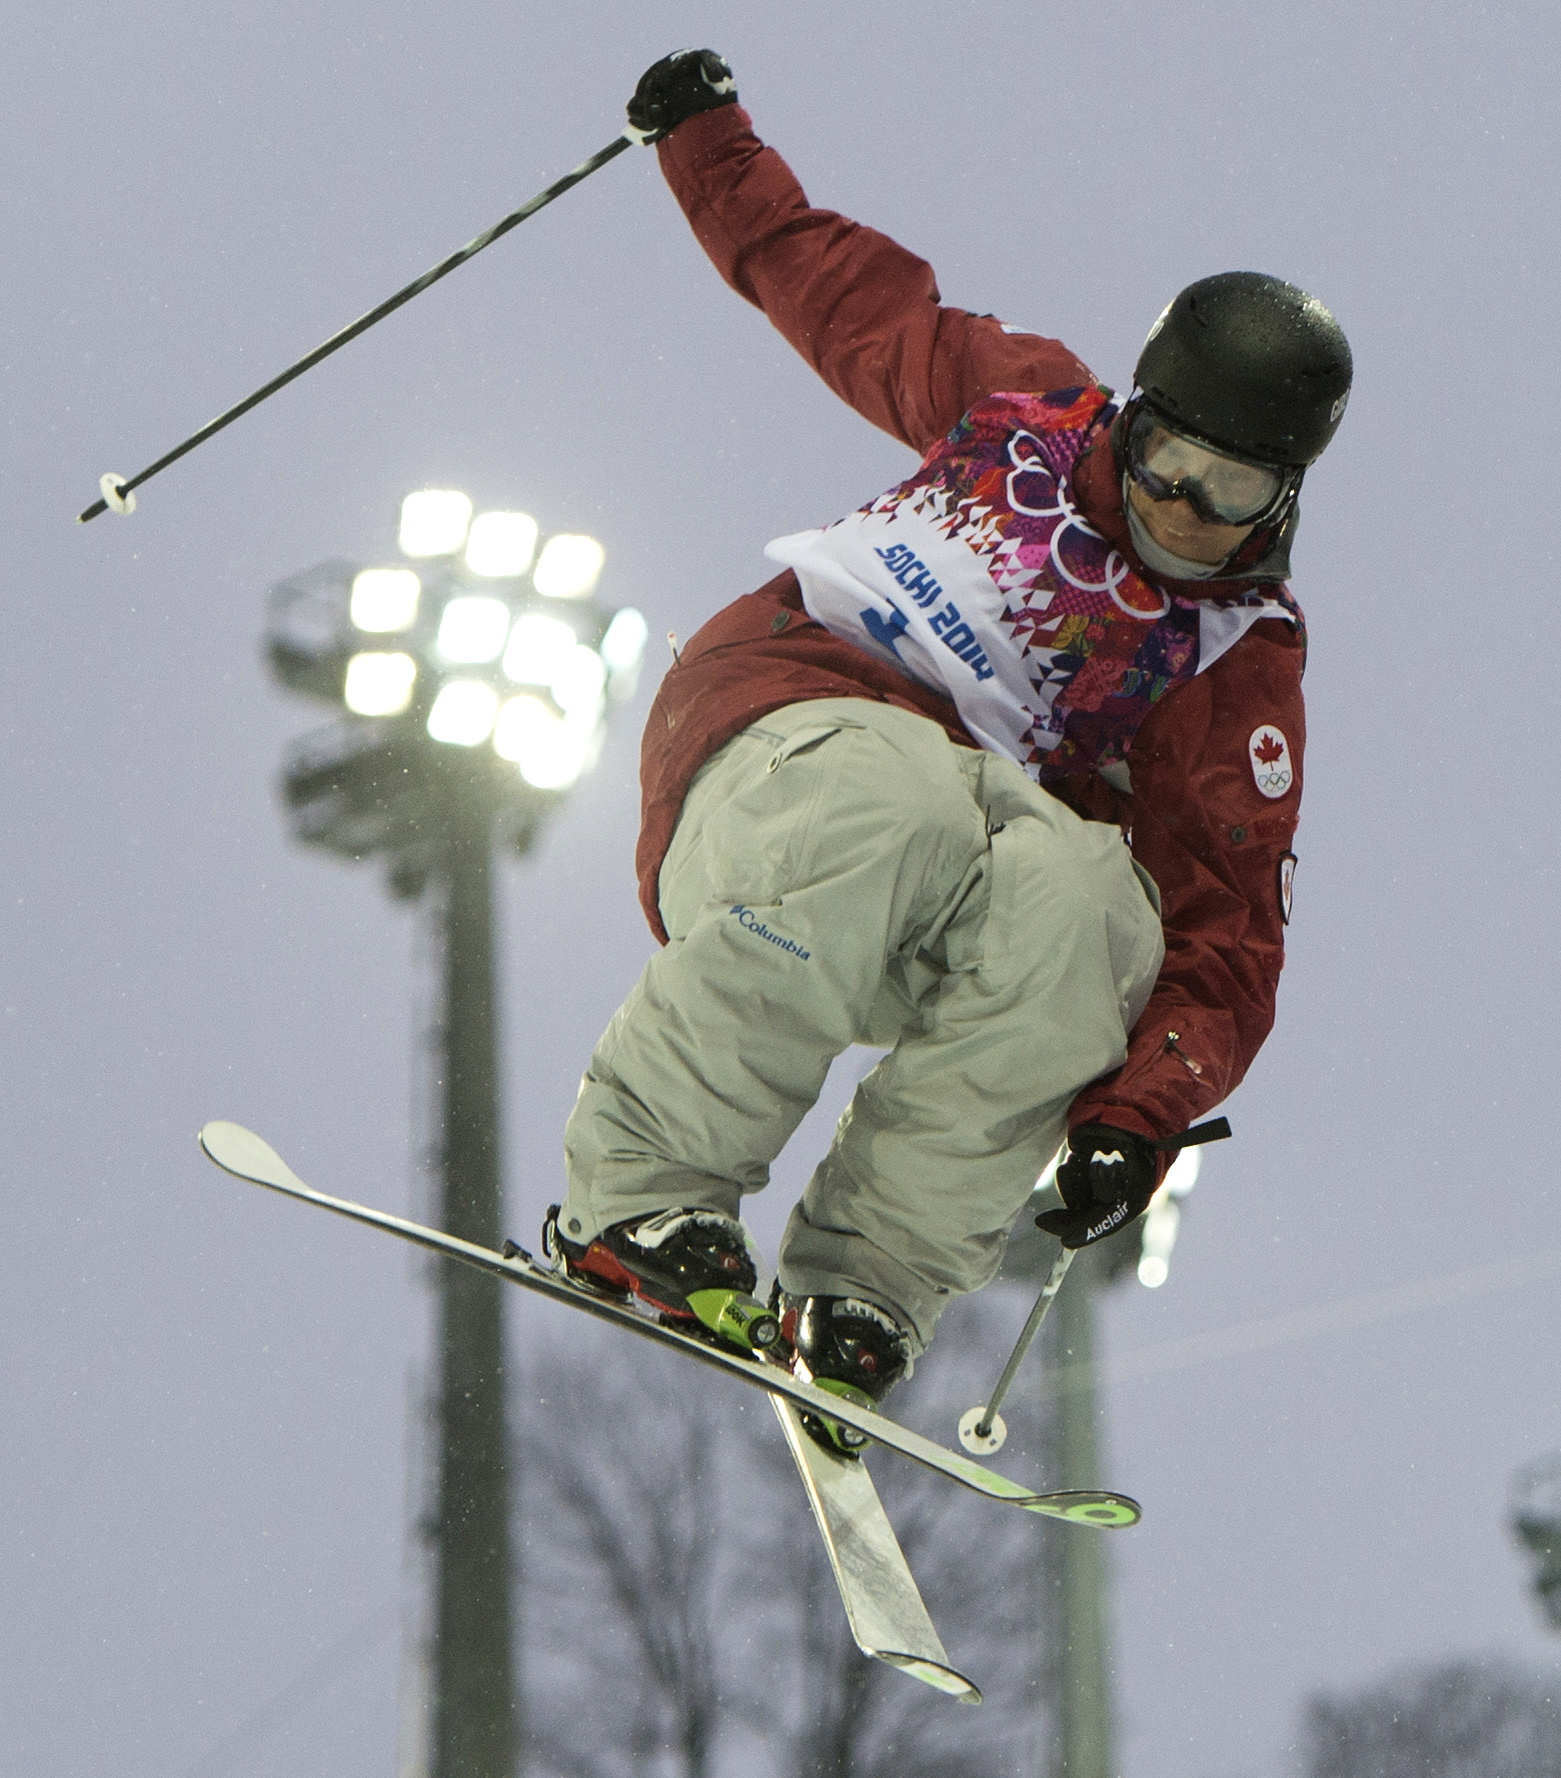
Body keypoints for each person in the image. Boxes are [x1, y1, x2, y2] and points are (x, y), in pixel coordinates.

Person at [545, 49, 1352, 1446]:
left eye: (1227, 488)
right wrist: (705, 144)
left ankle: (865, 1282)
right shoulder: (1021, 415)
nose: (1179, 503)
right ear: (1131, 416)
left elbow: (1226, 928)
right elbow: (840, 292)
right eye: (1164, 456)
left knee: (1092, 909)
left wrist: (1138, 1115)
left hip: (938, 866)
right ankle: (643, 1189)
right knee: (902, 794)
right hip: (787, 723)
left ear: (1281, 497)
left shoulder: (1236, 655)